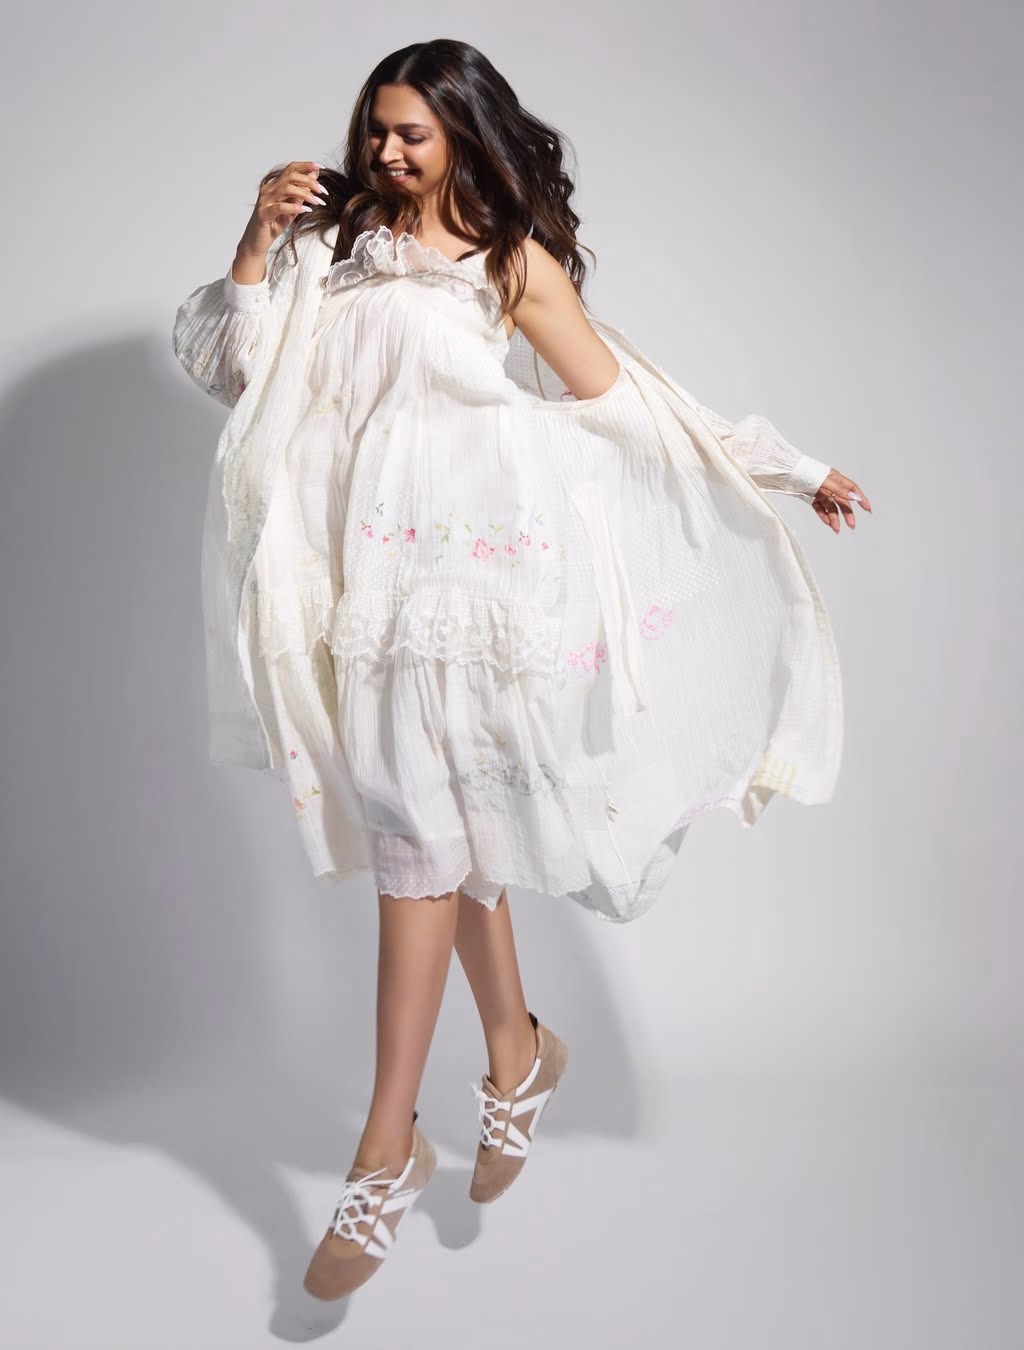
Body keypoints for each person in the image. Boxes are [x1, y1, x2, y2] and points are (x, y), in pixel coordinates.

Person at [172, 38, 870, 1300]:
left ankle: (385, 1145)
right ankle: (518, 1051)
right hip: (367, 591)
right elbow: (235, 375)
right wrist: (256, 243)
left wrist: (786, 466)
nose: (386, 151)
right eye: (376, 128)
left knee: (418, 850)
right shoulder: (335, 251)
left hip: (479, 594)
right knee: (443, 832)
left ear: (464, 134)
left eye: (413, 133)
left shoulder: (509, 264)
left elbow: (632, 404)